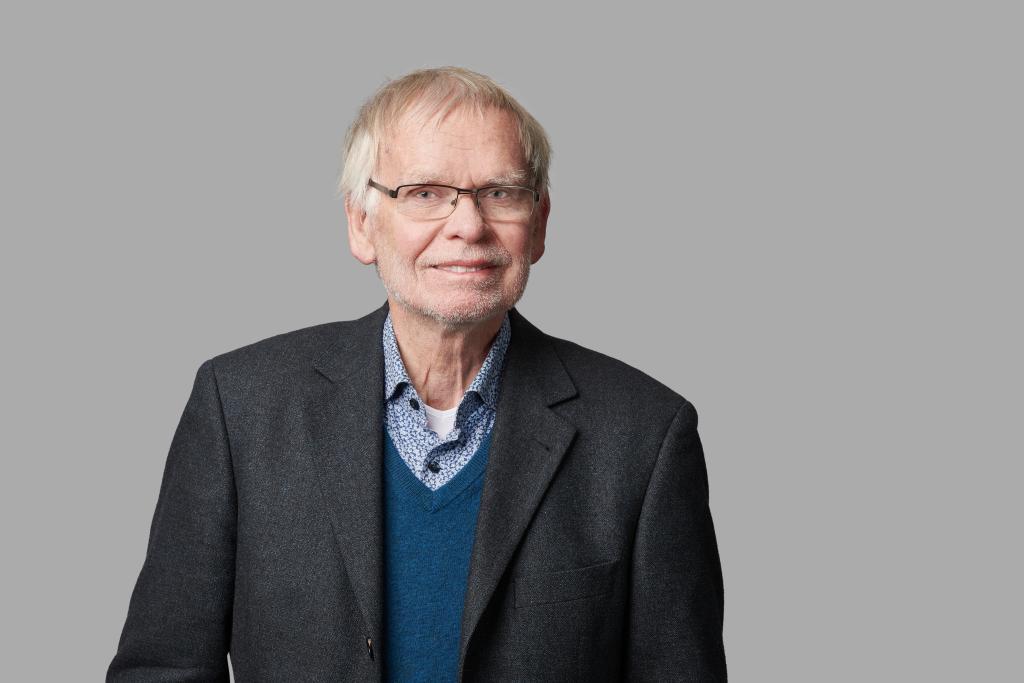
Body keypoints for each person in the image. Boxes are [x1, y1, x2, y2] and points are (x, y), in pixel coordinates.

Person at [107, 66, 726, 681]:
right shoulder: (239, 407)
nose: (468, 225)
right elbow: (161, 670)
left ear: (538, 225)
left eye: (500, 193)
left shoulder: (644, 435)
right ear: (361, 223)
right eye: (425, 193)